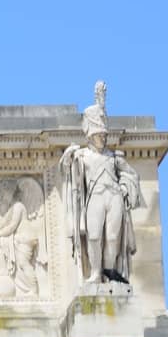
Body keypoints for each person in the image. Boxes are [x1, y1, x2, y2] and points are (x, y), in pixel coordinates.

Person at [60, 82, 144, 284]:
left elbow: (131, 174)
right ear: (90, 135)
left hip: (113, 196)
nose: (103, 138)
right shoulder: (82, 155)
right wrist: (66, 158)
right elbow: (67, 175)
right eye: (99, 135)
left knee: (113, 238)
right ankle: (96, 273)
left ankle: (109, 273)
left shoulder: (115, 157)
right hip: (95, 198)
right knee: (95, 236)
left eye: (104, 135)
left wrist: (125, 187)